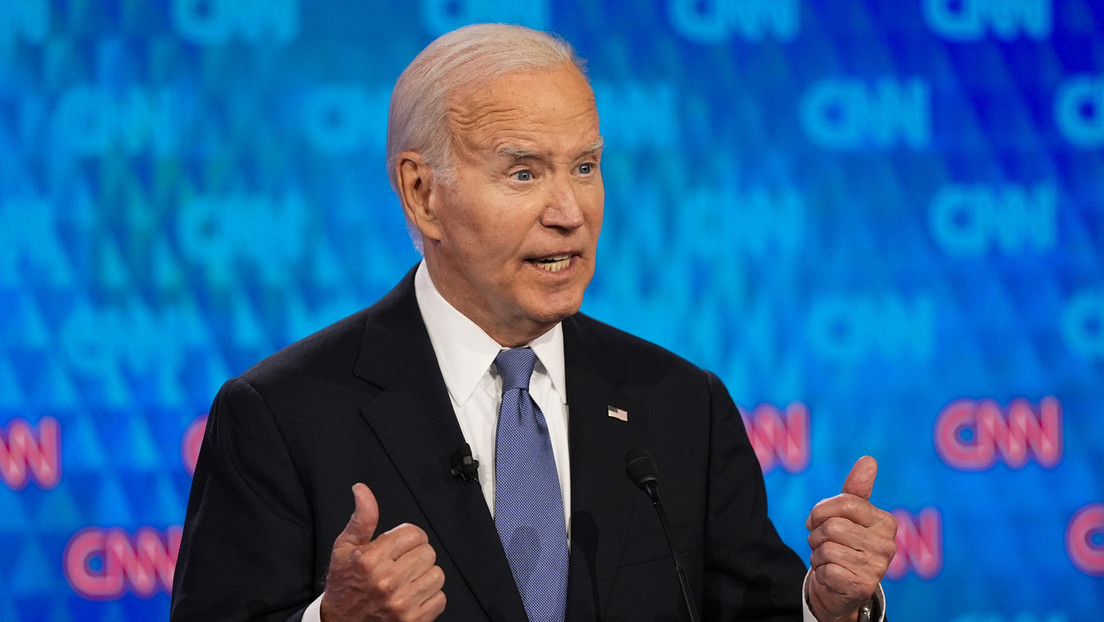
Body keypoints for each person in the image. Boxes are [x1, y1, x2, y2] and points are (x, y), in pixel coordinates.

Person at [170, 23, 898, 622]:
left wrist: (826, 607)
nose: (570, 211)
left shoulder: (680, 405)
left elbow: (756, 612)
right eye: (524, 173)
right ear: (423, 195)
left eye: (585, 167)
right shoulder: (283, 417)